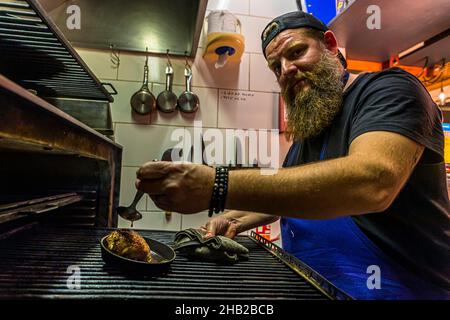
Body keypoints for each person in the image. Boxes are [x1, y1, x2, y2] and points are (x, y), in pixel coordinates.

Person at [135, 11, 450, 299]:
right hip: (315, 286)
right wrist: (232, 218)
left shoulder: (388, 90)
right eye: (276, 66)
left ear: (329, 45)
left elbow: (372, 182)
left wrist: (216, 185)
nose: (286, 69)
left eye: (297, 52)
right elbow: (294, 197)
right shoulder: (314, 124)